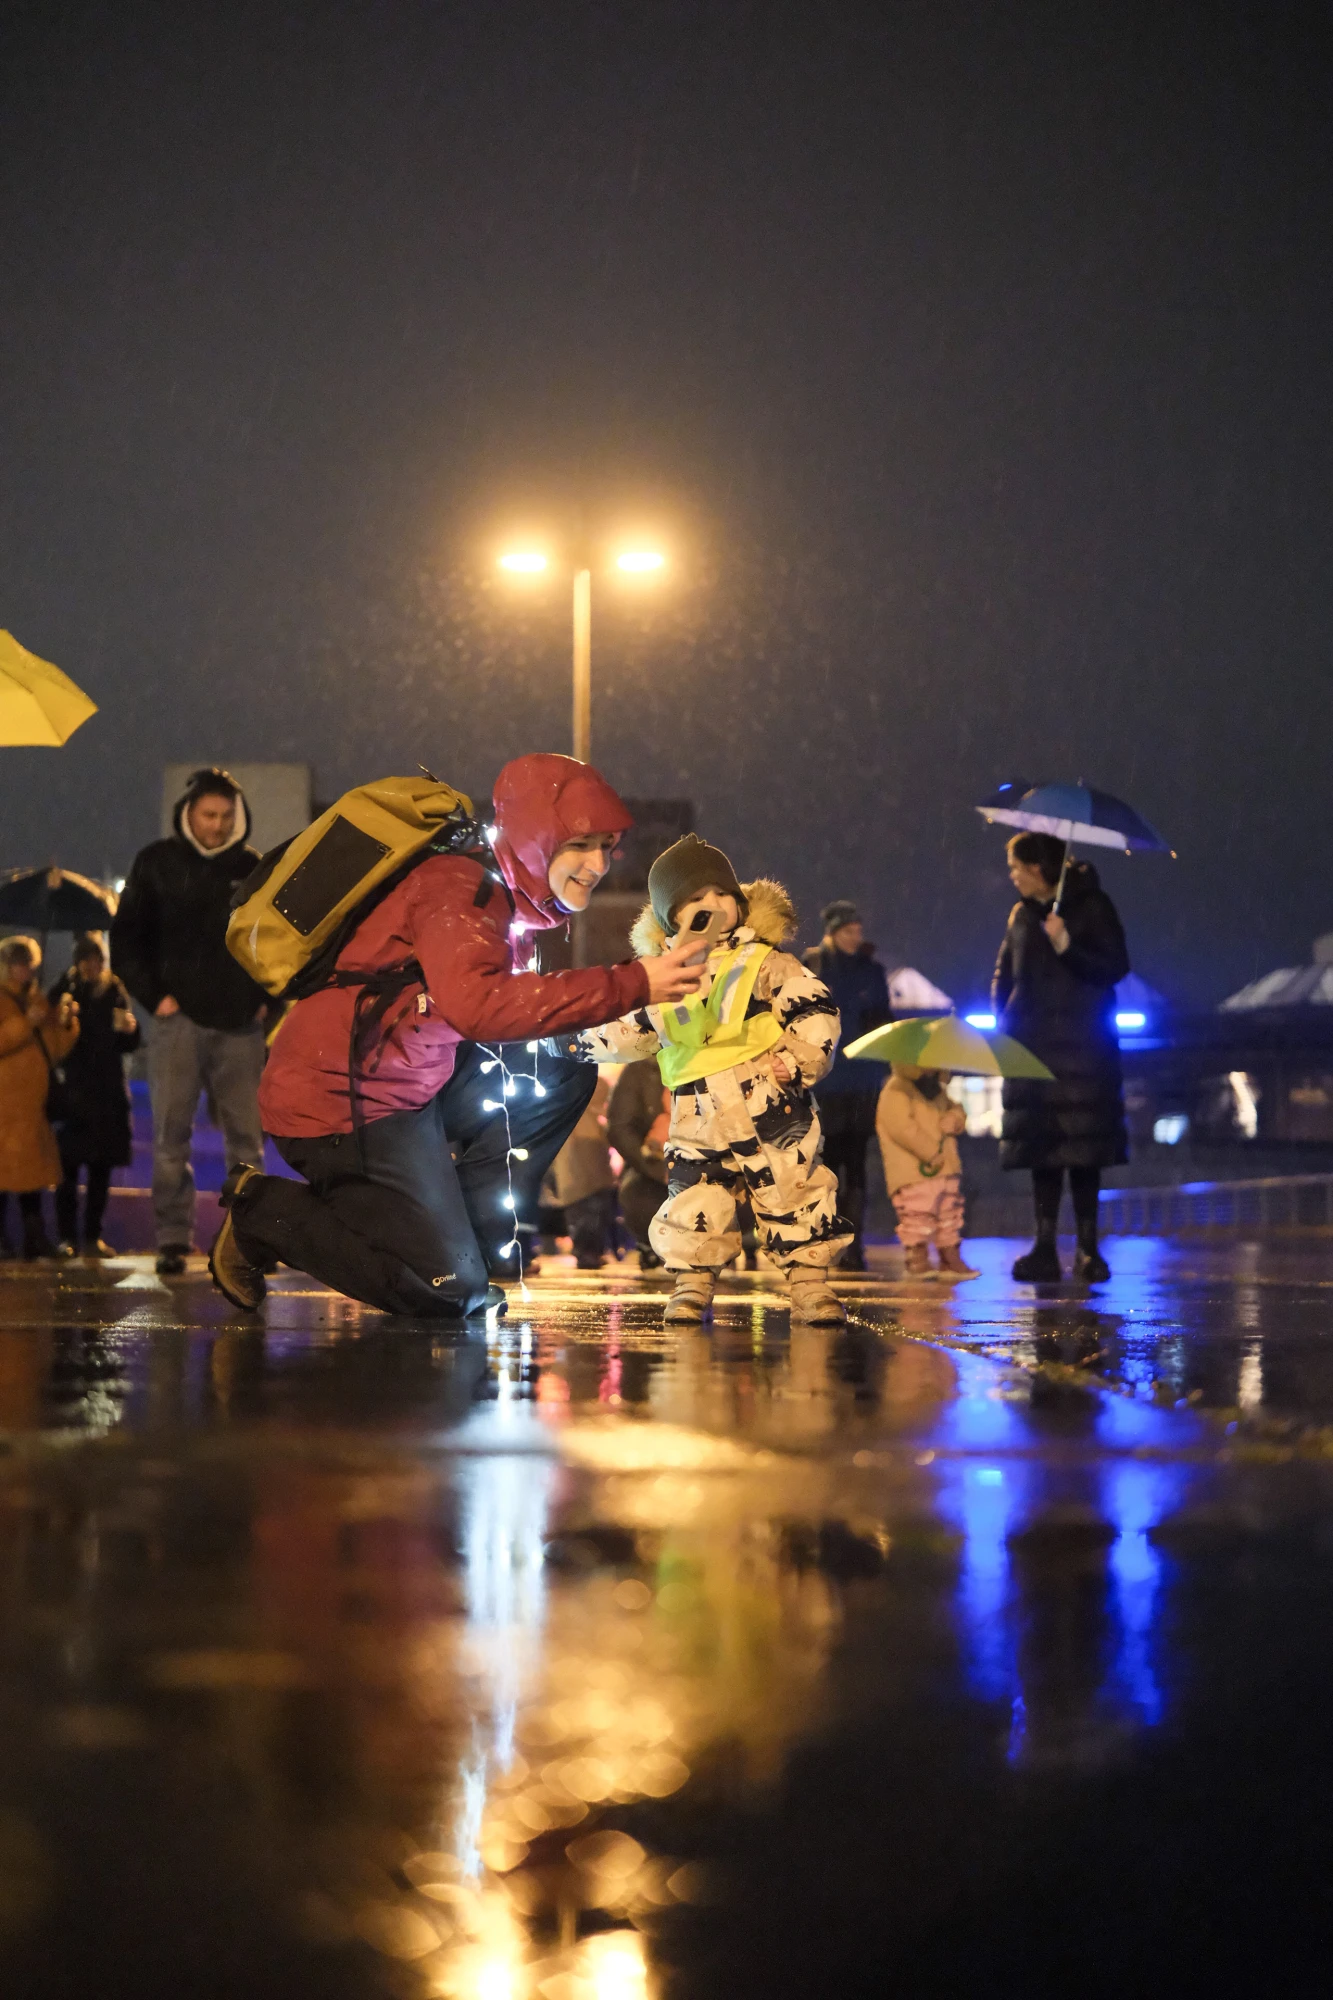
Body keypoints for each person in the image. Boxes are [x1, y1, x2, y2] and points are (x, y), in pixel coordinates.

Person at [208, 755, 708, 1318]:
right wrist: (634, 981)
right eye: (580, 844)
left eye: (607, 845)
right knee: (448, 1290)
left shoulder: (501, 896)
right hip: (339, 1105)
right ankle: (262, 1213)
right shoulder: (458, 887)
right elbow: (481, 1008)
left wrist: (642, 989)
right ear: (535, 836)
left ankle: (460, 1239)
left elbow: (510, 1010)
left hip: (408, 1088)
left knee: (560, 1066)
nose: (598, 862)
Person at [558, 834, 851, 1325]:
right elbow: (633, 1026)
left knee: (794, 1191)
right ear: (671, 919)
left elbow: (814, 1009)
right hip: (698, 1115)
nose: (712, 906)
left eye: (721, 895)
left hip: (772, 1104)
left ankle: (810, 1286)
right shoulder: (665, 977)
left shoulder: (767, 962)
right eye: (695, 900)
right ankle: (692, 1285)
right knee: (695, 1200)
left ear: (740, 903)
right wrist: (566, 1039)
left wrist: (799, 1059)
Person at [110, 767, 269, 1275]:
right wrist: (155, 997)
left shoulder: (253, 868)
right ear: (190, 814)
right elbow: (127, 938)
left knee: (247, 1140)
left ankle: (249, 1238)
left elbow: (278, 939)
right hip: (177, 1023)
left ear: (237, 817)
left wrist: (270, 999)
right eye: (208, 816)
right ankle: (173, 1239)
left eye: (225, 817)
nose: (217, 826)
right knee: (170, 1136)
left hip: (241, 1024)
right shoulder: (156, 863)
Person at [992, 831, 1131, 1283]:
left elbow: (1115, 966)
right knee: (1043, 1152)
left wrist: (1067, 944)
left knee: (1084, 1152)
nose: (1012, 876)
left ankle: (1089, 1250)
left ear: (1037, 868)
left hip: (1084, 1052)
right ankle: (1045, 1247)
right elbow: (1004, 975)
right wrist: (1006, 1020)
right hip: (1033, 1051)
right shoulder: (1021, 915)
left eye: (1016, 867)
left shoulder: (1092, 905)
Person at [803, 899, 891, 1271]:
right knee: (822, 1167)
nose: (856, 937)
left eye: (858, 931)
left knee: (855, 1165)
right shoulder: (812, 967)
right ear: (834, 932)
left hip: (859, 1084)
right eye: (849, 931)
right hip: (821, 1084)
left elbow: (883, 1021)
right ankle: (825, 1241)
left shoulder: (871, 971)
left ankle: (853, 1245)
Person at [47, 933, 142, 1256]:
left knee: (101, 1170)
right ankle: (66, 1236)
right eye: (87, 960)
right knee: (67, 1171)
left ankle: (91, 1236)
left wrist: (131, 1030)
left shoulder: (114, 990)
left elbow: (126, 1042)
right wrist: (63, 1015)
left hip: (107, 1094)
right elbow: (51, 1033)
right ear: (77, 962)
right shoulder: (65, 989)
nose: (93, 966)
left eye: (97, 960)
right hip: (74, 1092)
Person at [0, 936, 79, 1260]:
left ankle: (34, 1237)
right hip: (5, 1106)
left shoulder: (36, 1000)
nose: (25, 970)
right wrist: (25, 1023)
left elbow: (53, 1050)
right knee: (5, 1175)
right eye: (18, 963)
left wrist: (66, 1023)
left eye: (27, 963)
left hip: (31, 1106)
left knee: (29, 1176)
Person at [876, 1062, 977, 1279]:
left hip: (944, 1167)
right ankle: (917, 1258)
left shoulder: (936, 1090)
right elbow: (901, 1127)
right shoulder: (897, 1089)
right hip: (914, 1169)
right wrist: (930, 1152)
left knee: (948, 1212)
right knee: (918, 1212)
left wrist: (955, 1119)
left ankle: (949, 1257)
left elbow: (955, 1109)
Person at [545, 1073, 618, 1269]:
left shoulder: (566, 1109)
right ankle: (589, 1253)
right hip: (587, 1171)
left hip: (578, 1173)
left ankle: (588, 1252)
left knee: (585, 1214)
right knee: (591, 1213)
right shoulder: (590, 1115)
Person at [607, 1057, 671, 1268]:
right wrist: (657, 1170)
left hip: (703, 1165)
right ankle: (650, 1246)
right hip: (650, 1168)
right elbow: (620, 1127)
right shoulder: (640, 1070)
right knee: (641, 1197)